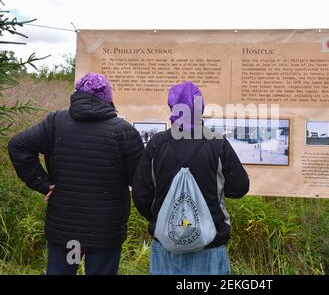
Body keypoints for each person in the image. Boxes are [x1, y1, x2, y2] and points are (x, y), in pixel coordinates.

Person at [8, 72, 144, 275]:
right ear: (108, 97)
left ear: (77, 94)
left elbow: (17, 146)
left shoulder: (55, 122)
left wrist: (42, 183)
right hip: (105, 231)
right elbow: (139, 180)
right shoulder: (123, 131)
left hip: (65, 230)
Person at [132, 81, 249, 275]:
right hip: (210, 244)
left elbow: (141, 194)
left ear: (172, 106)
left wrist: (164, 217)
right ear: (200, 107)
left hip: (166, 246)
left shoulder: (157, 144)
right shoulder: (216, 142)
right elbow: (239, 187)